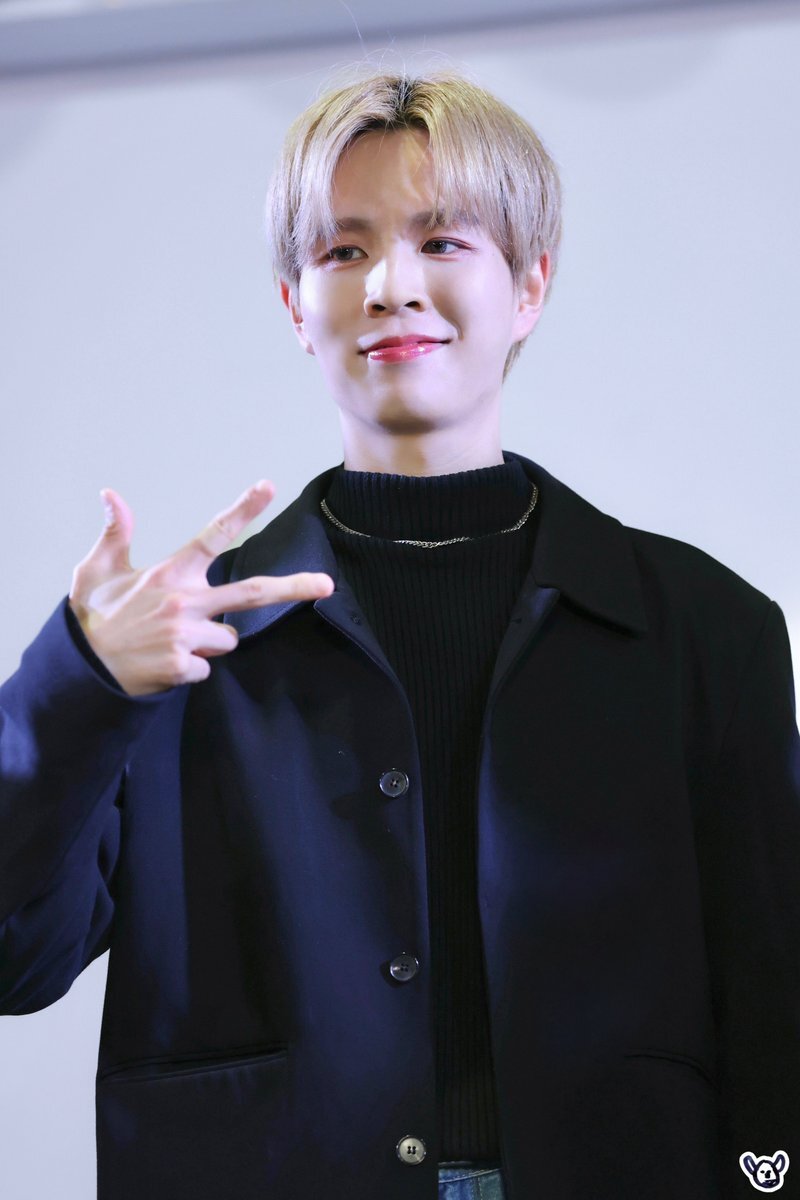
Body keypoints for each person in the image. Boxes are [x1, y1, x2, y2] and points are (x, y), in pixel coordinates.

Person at [1, 67, 799, 1200]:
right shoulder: (179, 640)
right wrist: (78, 683)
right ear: (295, 306)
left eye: (442, 241)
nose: (390, 285)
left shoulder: (706, 630)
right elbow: (15, 962)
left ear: (529, 285)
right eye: (342, 251)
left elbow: (775, 1002)